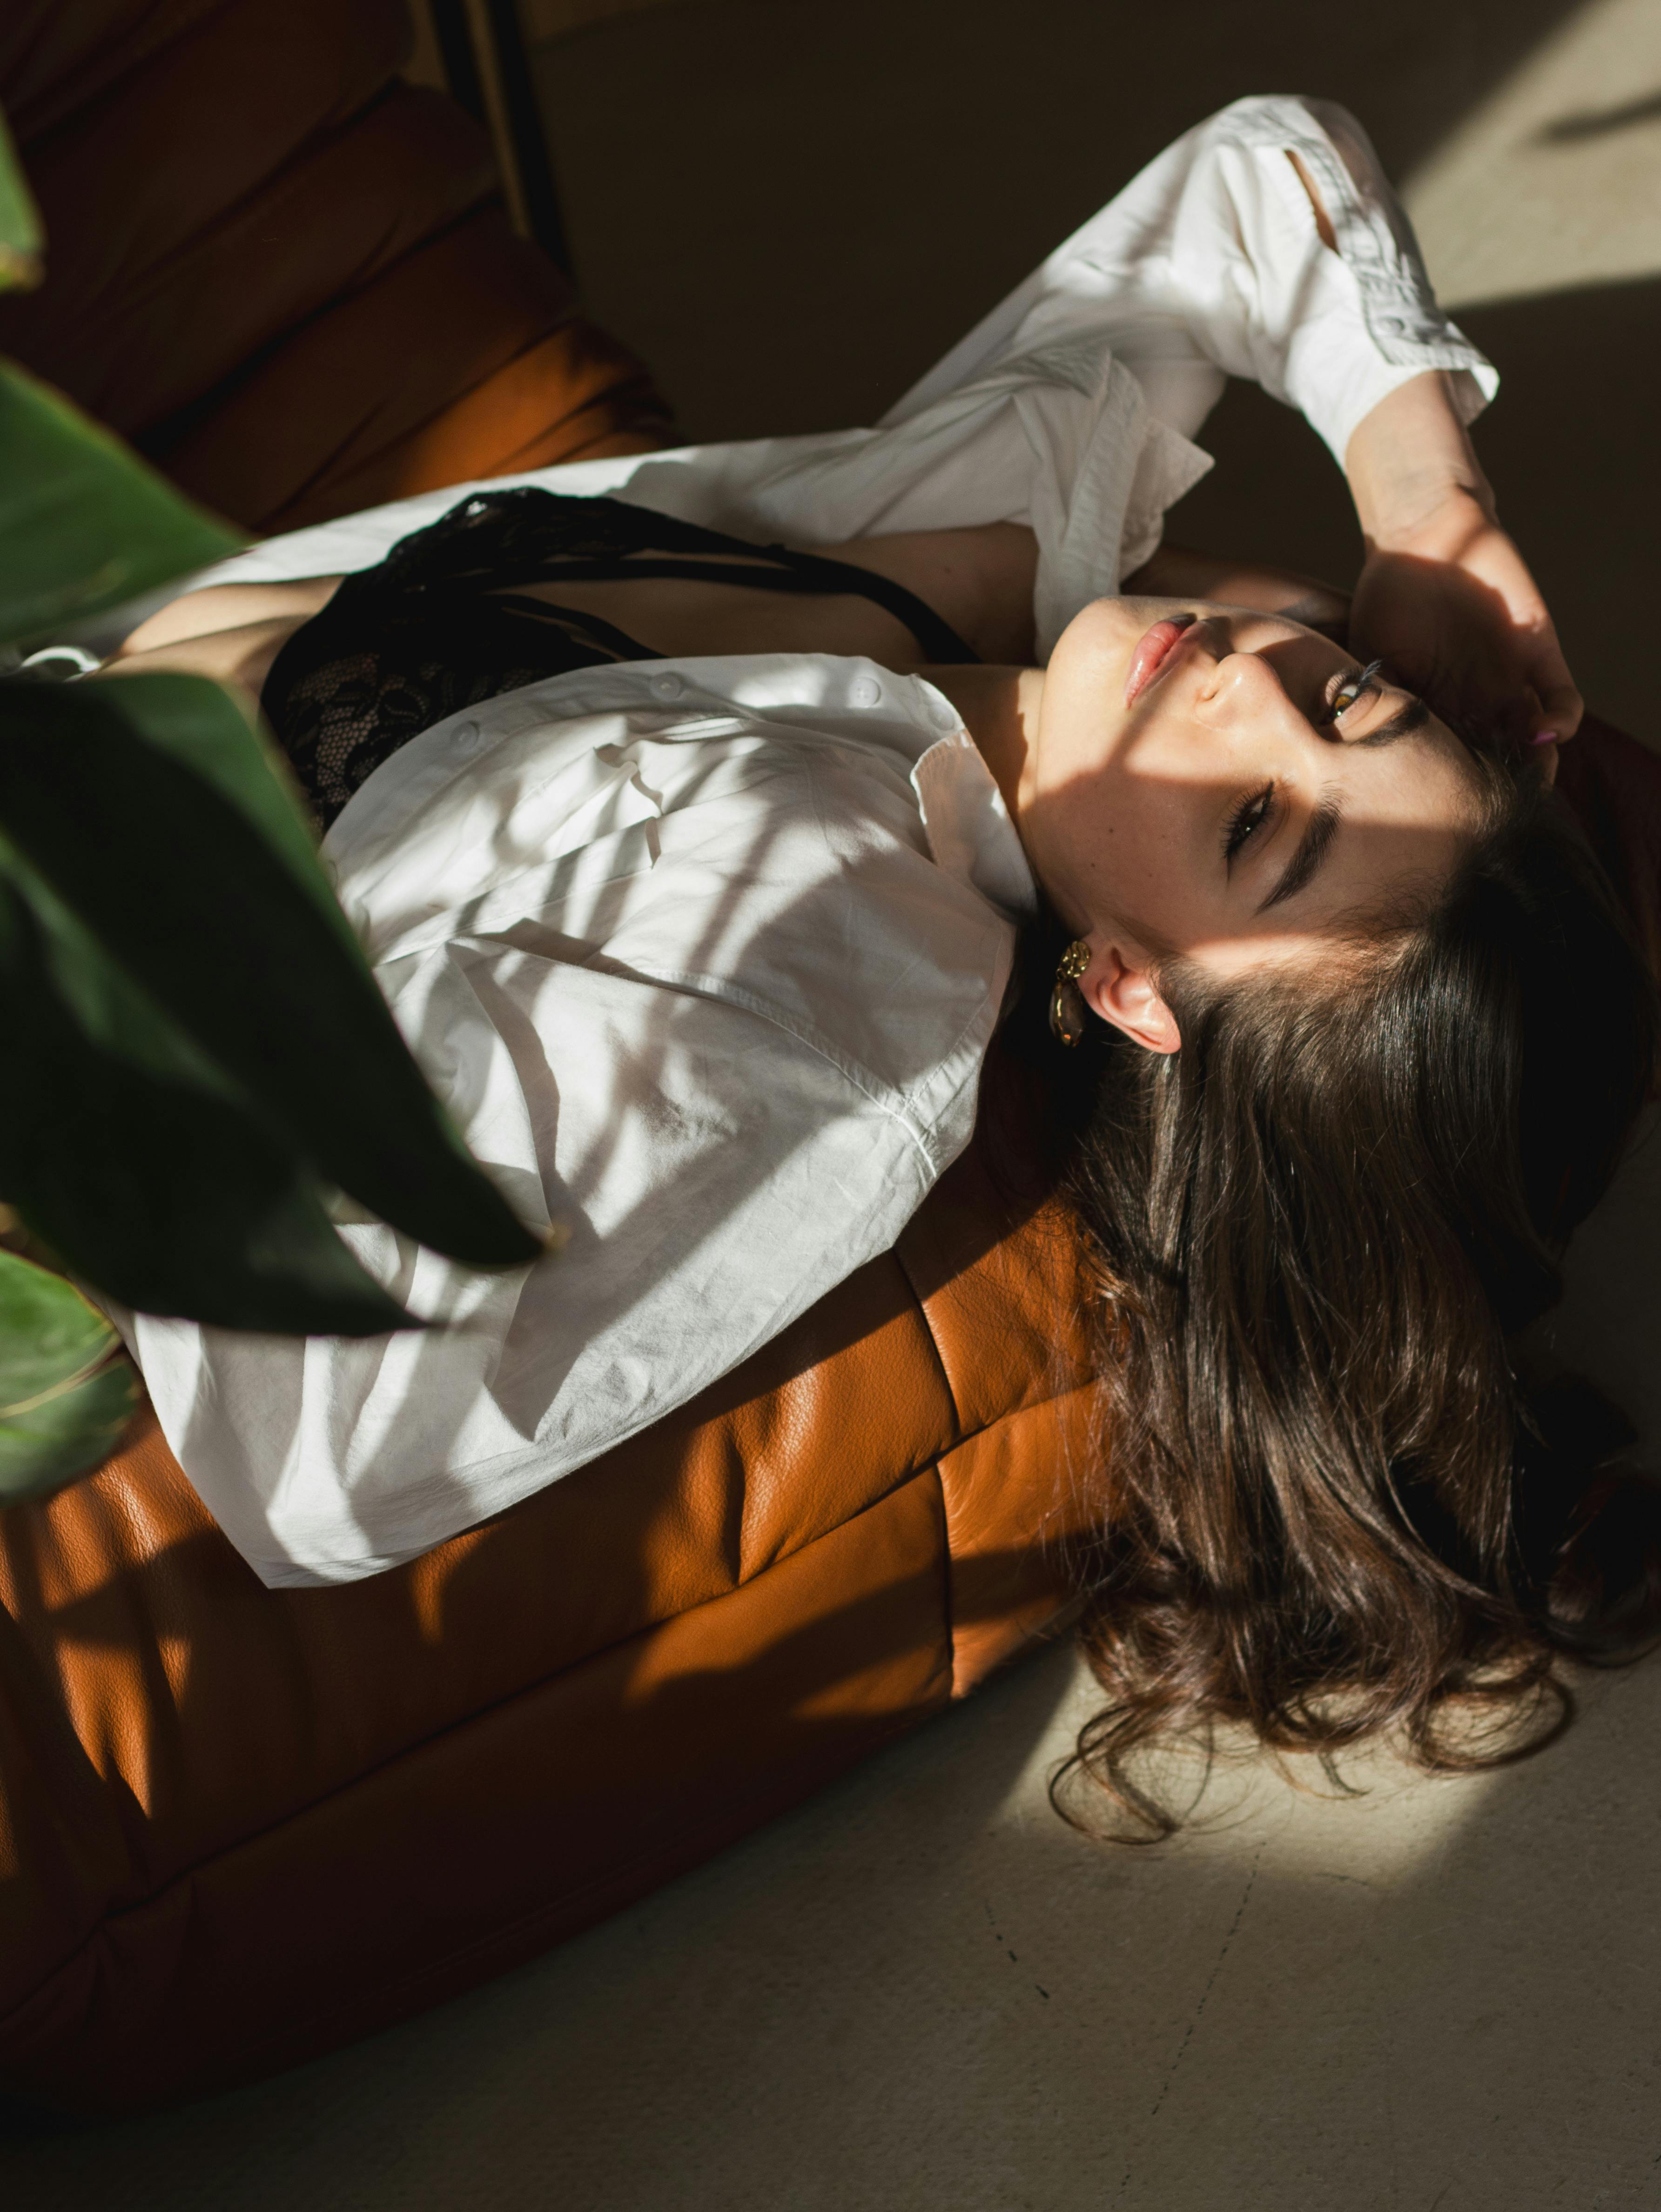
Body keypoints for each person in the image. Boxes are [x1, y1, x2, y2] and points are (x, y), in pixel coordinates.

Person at [100, 98, 1660, 1825]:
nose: (1249, 682)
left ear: (1133, 989)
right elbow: (1257, 175)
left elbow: (318, 1454)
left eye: (1252, 826)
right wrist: (1426, 508)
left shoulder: (839, 952)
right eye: (1353, 696)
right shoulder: (1015, 565)